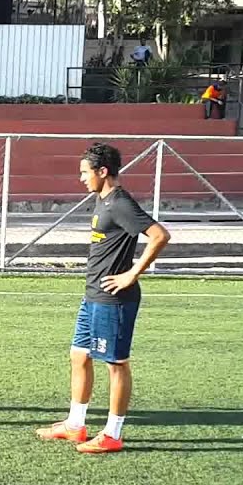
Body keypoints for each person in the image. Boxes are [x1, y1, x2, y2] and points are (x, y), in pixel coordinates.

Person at [36, 143, 170, 454]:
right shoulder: (102, 200)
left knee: (115, 364)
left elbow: (160, 235)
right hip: (93, 296)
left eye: (85, 173)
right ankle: (75, 424)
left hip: (115, 299)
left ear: (102, 171)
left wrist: (132, 274)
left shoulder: (120, 203)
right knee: (79, 356)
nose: (81, 179)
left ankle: (112, 433)